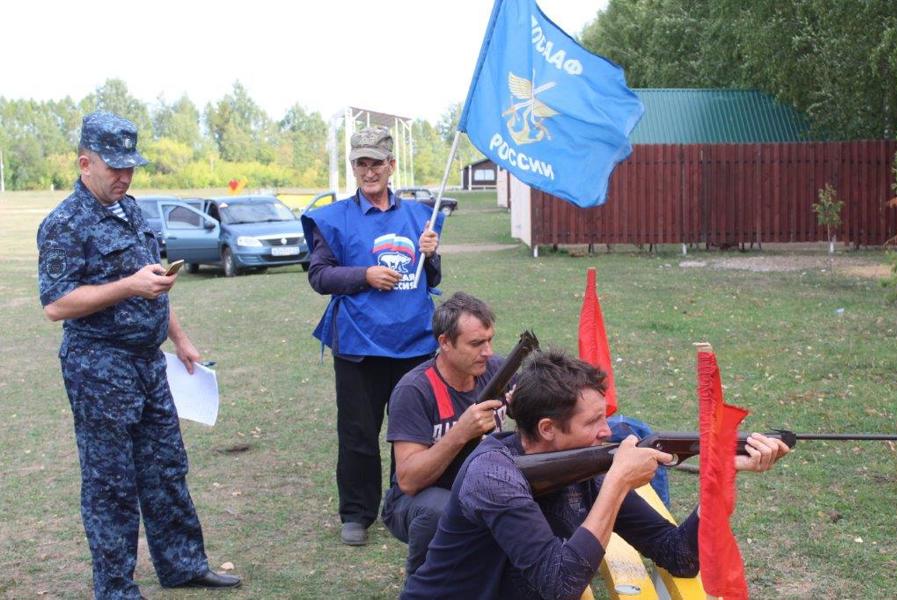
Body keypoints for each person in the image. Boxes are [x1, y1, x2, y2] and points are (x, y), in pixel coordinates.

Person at [37, 111, 240, 598]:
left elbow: (154, 285)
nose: (125, 177)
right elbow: (56, 304)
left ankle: (183, 565)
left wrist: (180, 338)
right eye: (115, 168)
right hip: (99, 367)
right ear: (86, 163)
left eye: (131, 167)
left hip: (149, 364)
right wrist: (128, 285)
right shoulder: (64, 223)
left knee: (167, 469)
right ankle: (115, 587)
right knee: (112, 484)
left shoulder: (131, 211)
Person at [402, 351, 789, 600]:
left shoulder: (585, 465)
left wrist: (718, 481)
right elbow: (561, 584)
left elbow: (681, 556)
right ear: (548, 428)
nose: (609, 431)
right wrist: (618, 481)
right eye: (594, 421)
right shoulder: (493, 477)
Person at [300, 126, 444, 546]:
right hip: (360, 346)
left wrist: (432, 256)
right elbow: (319, 275)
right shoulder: (334, 218)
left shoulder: (421, 216)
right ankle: (357, 513)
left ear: (391, 166)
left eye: (376, 163)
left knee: (416, 433)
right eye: (360, 163)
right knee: (359, 433)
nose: (368, 171)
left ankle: (410, 502)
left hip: (415, 344)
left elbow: (431, 279)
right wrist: (363, 275)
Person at [382, 292, 508, 576]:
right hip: (415, 501)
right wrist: (460, 433)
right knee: (440, 511)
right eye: (476, 343)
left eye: (490, 340)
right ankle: (423, 590)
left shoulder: (496, 370)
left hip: (478, 487)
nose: (487, 351)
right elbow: (409, 480)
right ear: (445, 343)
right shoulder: (413, 390)